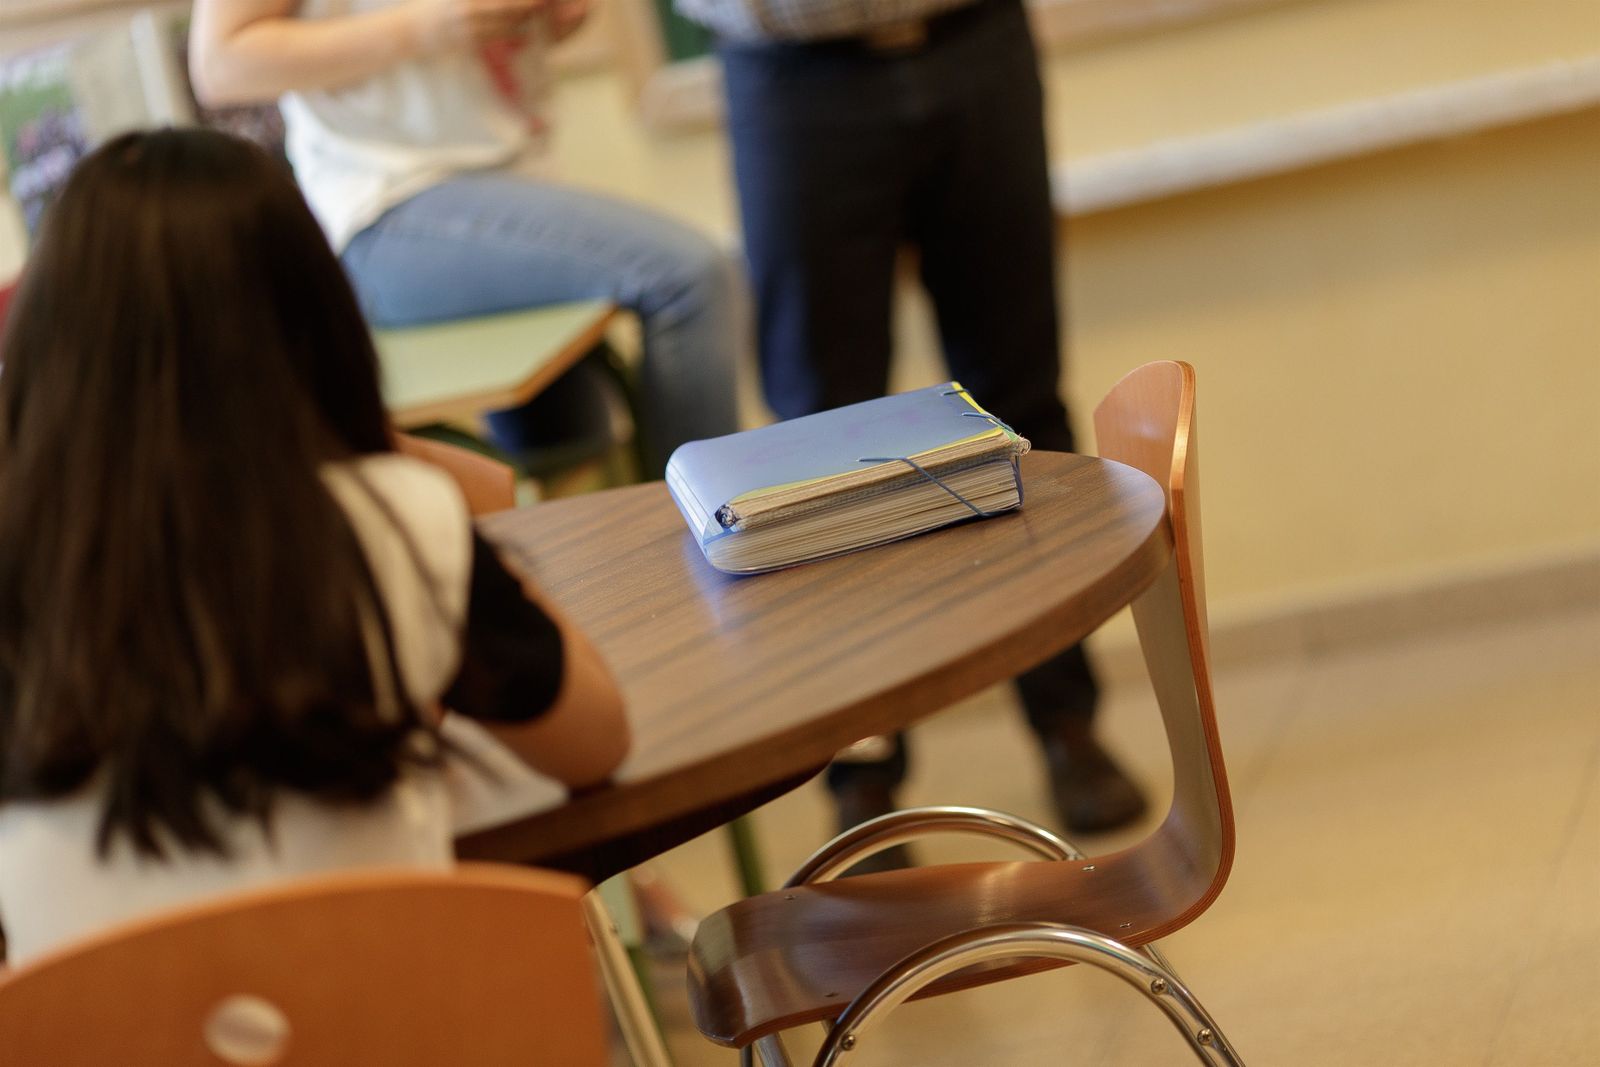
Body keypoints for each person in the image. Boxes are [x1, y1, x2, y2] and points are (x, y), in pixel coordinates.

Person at [0, 129, 628, 965]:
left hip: (100, 1023)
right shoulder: (392, 522)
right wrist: (366, 441)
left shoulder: (24, 559)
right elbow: (595, 740)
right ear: (312, 320)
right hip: (383, 1008)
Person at [677, 0, 1145, 855]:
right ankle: (864, 782)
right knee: (816, 456)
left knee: (1024, 411)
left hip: (976, 40)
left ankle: (1069, 725)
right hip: (793, 74)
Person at [188, 0, 744, 476]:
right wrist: (425, 27)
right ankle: (711, 522)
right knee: (688, 277)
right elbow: (220, 63)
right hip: (389, 201)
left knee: (572, 445)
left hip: (513, 177)